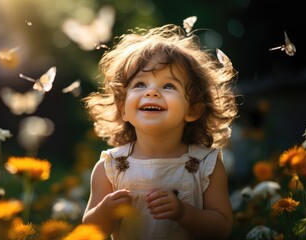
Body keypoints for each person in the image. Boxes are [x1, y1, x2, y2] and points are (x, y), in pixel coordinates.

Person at [81, 23, 238, 240]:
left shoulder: (206, 165)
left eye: (169, 86)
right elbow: (88, 232)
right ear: (122, 108)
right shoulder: (110, 167)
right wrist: (104, 212)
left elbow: (222, 229)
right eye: (140, 84)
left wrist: (184, 213)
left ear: (193, 109)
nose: (152, 92)